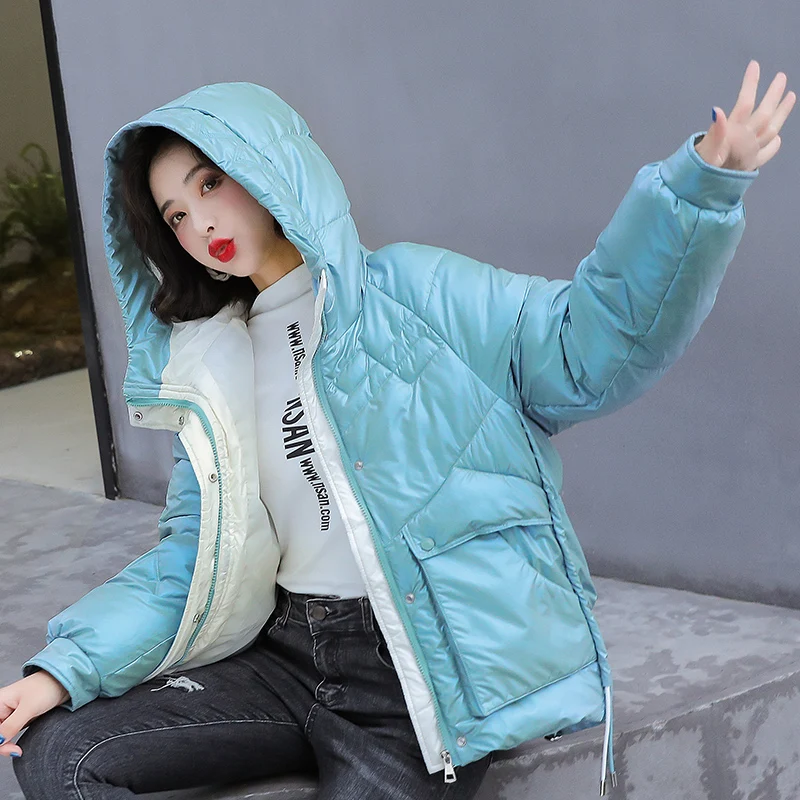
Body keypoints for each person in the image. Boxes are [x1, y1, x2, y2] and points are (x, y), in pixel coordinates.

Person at [2, 60, 794, 799]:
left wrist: (695, 192)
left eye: (211, 182)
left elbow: (586, 344)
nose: (200, 220)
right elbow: (190, 557)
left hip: (411, 672)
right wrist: (64, 670)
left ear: (273, 166)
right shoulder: (214, 367)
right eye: (176, 214)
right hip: (284, 656)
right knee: (59, 753)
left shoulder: (416, 291)